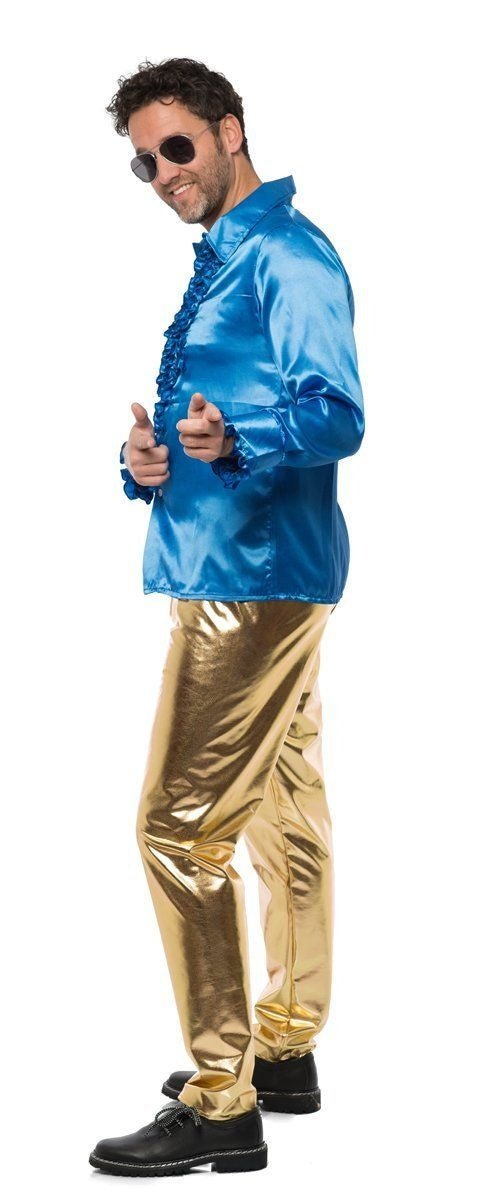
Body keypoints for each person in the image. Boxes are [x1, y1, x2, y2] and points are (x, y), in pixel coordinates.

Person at [89, 56, 365, 1178]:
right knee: (280, 814)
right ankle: (283, 1048)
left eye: (176, 147)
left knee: (177, 829)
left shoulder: (287, 253)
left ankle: (220, 1101)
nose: (162, 172)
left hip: (250, 579)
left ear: (228, 131)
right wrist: (149, 460)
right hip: (236, 562)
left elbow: (336, 414)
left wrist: (238, 441)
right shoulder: (229, 257)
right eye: (143, 162)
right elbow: (221, 415)